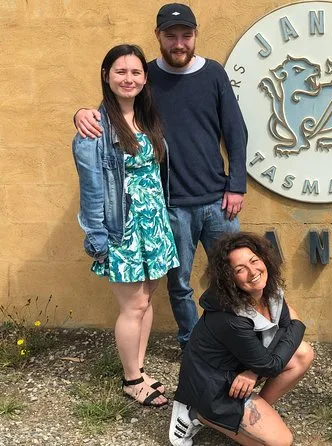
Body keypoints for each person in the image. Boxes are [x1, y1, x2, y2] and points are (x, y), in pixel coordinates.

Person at [74, 3, 248, 348]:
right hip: (170, 205)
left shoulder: (213, 73)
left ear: (195, 35)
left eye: (186, 35)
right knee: (180, 285)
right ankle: (192, 345)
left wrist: (237, 185)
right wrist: (80, 113)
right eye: (171, 35)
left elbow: (236, 131)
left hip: (219, 201)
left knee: (235, 276)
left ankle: (237, 341)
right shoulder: (145, 76)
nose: (179, 43)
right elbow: (112, 112)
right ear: (158, 36)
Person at [72, 44, 178, 407]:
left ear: (145, 78)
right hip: (124, 229)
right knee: (133, 306)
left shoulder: (147, 118)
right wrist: (97, 235)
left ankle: (139, 369)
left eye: (135, 72)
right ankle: (132, 380)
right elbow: (91, 189)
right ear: (106, 76)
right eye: (120, 71)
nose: (128, 78)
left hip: (154, 224)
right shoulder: (94, 127)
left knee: (146, 300)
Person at [168, 232, 314, 446]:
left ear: (264, 259)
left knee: (303, 353)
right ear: (229, 278)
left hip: (238, 369)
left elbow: (283, 329)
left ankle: (249, 415)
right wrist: (298, 323)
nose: (253, 272)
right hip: (213, 386)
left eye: (254, 261)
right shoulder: (231, 318)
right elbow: (272, 362)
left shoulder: (268, 290)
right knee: (281, 442)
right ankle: (196, 413)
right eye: (240, 269)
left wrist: (253, 372)